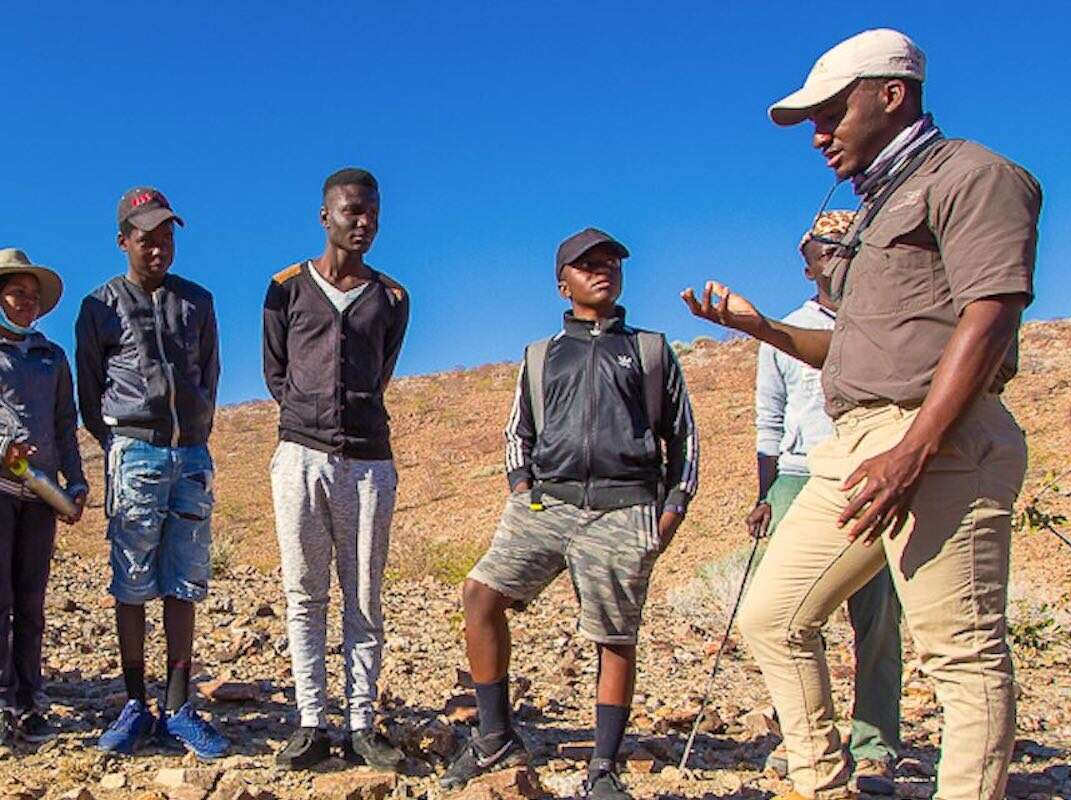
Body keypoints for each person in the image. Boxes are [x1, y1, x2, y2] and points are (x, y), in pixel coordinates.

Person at [682, 28, 1041, 800]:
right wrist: (762, 329)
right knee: (772, 617)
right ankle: (822, 785)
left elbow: (992, 315)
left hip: (940, 437)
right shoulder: (874, 212)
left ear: (891, 93)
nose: (818, 135)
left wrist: (916, 445)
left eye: (830, 113)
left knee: (961, 653)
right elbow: (854, 349)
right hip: (855, 444)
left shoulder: (975, 175)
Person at [442, 228, 699, 800]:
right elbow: (519, 431)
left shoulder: (651, 350)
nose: (602, 270)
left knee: (614, 636)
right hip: (546, 503)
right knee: (481, 595)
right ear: (564, 284)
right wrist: (520, 486)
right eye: (587, 265)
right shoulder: (540, 355)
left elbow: (682, 436)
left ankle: (604, 769)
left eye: (610, 262)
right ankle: (494, 736)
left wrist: (672, 511)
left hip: (624, 507)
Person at [748, 212, 901, 796]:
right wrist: (765, 494)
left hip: (872, 474)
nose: (834, 258)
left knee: (878, 617)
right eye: (823, 249)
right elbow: (769, 420)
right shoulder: (785, 332)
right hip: (799, 477)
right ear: (807, 261)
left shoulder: (883, 321)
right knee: (782, 615)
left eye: (845, 247)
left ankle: (875, 740)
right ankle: (805, 738)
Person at [262, 168, 410, 771]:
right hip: (299, 455)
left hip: (369, 462)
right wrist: (309, 418)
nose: (363, 223)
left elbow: (380, 373)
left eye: (372, 212)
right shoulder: (286, 288)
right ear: (325, 216)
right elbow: (277, 372)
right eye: (351, 211)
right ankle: (309, 720)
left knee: (364, 595)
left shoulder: (392, 298)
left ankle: (361, 722)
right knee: (304, 594)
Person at [76, 187, 228, 760]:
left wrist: (195, 432)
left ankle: (181, 705)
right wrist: (118, 441)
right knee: (132, 581)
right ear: (124, 241)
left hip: (190, 455)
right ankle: (136, 703)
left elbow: (209, 375)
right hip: (134, 452)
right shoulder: (98, 306)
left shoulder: (198, 301)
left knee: (184, 580)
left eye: (167, 235)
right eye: (147, 237)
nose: (159, 246)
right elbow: (90, 390)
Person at [0, 249, 87, 747]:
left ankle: (32, 701)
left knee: (31, 601)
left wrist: (73, 483)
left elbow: (64, 426)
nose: (26, 304)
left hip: (39, 493)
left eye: (33, 298)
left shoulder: (53, 358)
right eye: (17, 294)